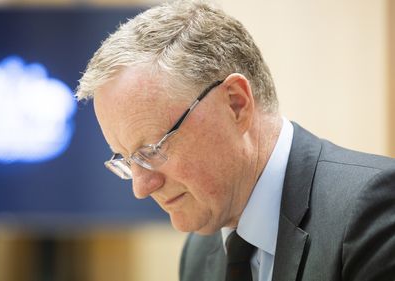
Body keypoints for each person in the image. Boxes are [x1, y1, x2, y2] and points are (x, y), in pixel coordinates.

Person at [75, 1, 395, 280]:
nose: (141, 188)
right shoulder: (200, 251)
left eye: (151, 151)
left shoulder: (371, 210)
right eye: (128, 161)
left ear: (236, 104)